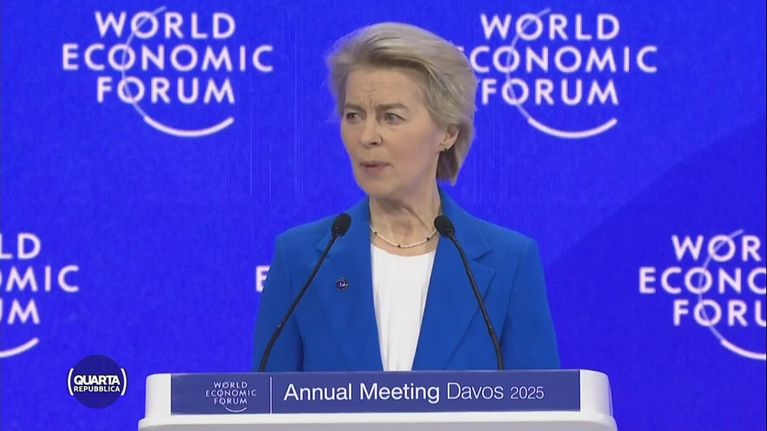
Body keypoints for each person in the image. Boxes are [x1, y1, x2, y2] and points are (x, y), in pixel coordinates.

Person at [252, 22, 559, 372]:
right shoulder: (300, 260)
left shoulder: (509, 263)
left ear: (447, 132)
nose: (367, 136)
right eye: (354, 116)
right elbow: (266, 399)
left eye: (391, 117)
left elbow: (540, 400)